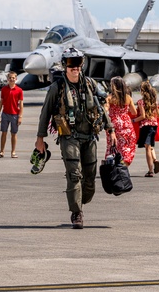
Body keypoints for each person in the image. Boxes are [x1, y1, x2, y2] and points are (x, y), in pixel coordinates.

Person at [35, 48, 116, 229]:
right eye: (71, 63)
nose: (75, 67)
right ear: (65, 65)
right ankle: (76, 213)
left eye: (78, 63)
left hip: (89, 136)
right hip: (69, 137)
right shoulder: (57, 88)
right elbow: (45, 113)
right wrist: (40, 138)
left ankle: (80, 200)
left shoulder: (90, 84)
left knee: (90, 180)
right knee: (74, 175)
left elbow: (103, 107)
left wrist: (111, 128)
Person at [104, 76, 137, 167]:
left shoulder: (110, 98)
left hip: (113, 124)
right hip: (126, 123)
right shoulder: (128, 98)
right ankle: (124, 163)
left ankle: (112, 163)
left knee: (112, 145)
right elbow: (134, 112)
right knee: (128, 144)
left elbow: (105, 110)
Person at [134, 81, 159, 177]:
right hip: (154, 126)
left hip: (145, 126)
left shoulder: (141, 102)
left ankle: (150, 170)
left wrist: (133, 120)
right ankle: (155, 159)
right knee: (150, 145)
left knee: (147, 147)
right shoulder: (154, 101)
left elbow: (143, 116)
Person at [0, 71, 24, 158]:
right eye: (10, 78)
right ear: (7, 79)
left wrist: (20, 116)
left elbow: (21, 104)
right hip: (5, 114)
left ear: (16, 79)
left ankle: (13, 152)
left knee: (14, 133)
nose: (11, 79)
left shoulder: (19, 90)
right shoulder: (4, 89)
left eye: (13, 78)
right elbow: (1, 102)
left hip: (15, 114)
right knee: (4, 132)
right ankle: (1, 151)